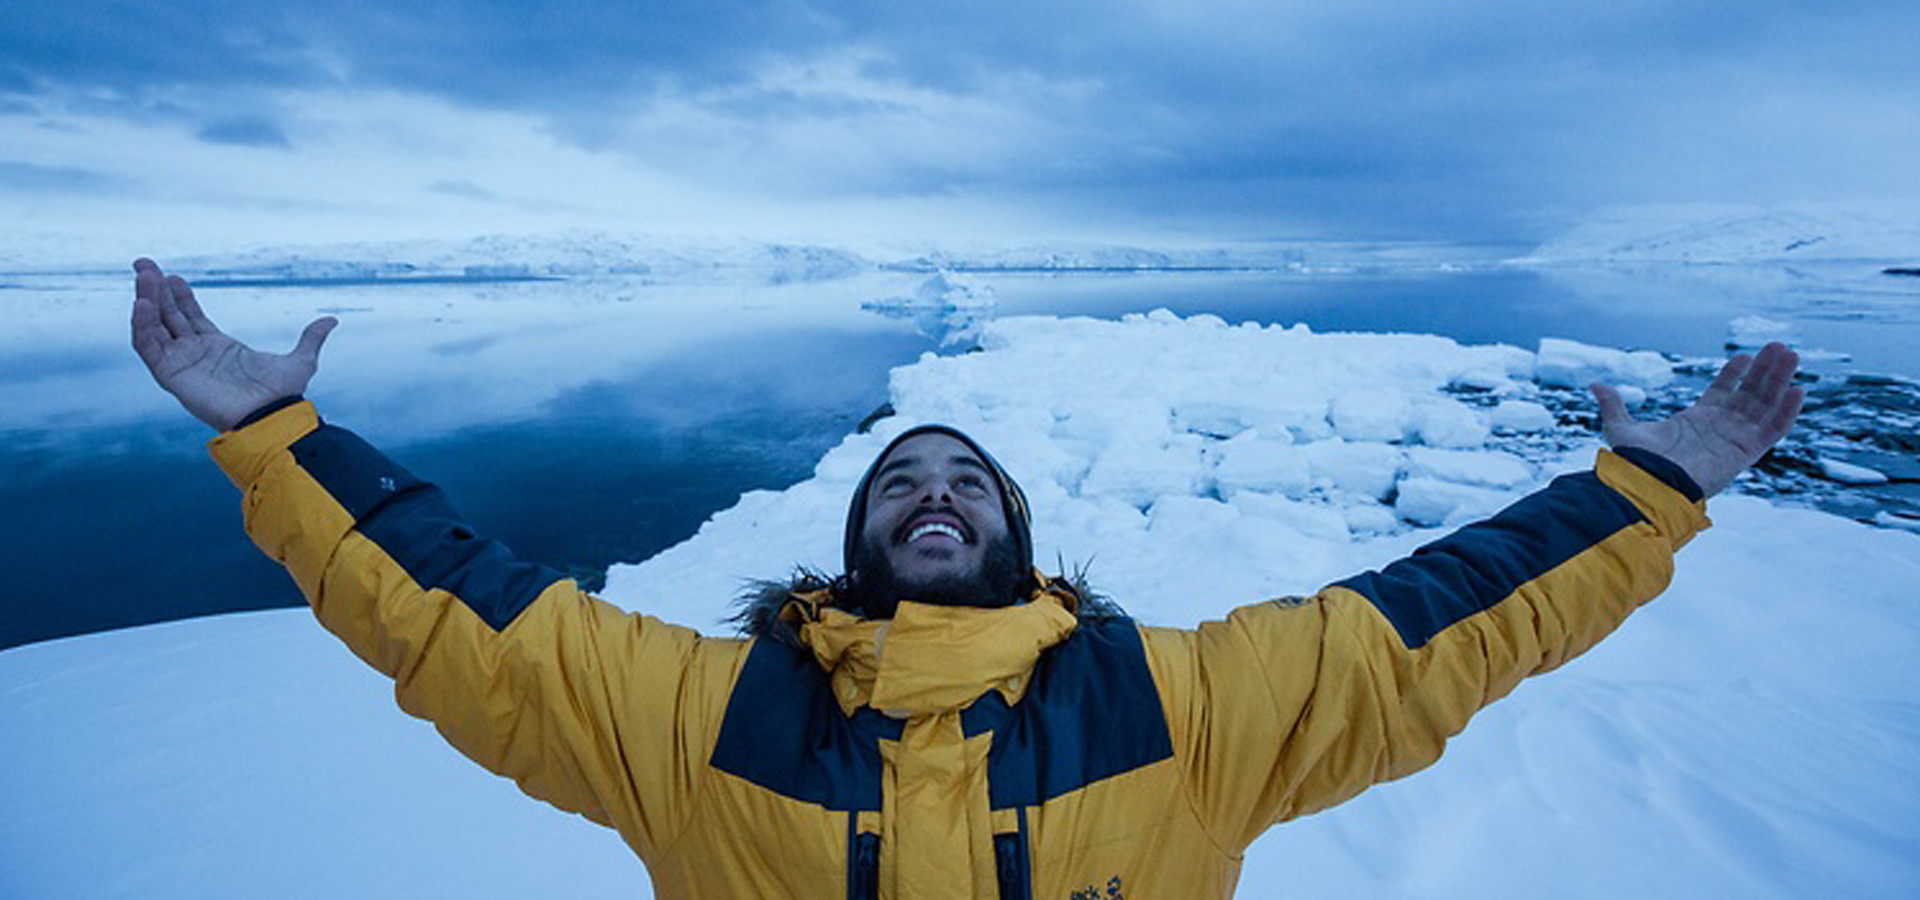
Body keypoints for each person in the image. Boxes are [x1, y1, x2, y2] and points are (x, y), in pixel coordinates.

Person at [130, 257, 1804, 900]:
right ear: (859, 544)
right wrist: (281, 435)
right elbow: (458, 613)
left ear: (1011, 529)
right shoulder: (700, 713)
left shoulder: (1181, 705)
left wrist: (1649, 486)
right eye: (900, 483)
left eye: (964, 480)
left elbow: (1450, 613)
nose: (933, 494)